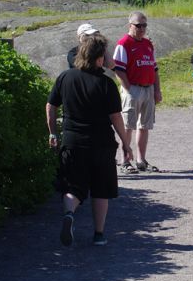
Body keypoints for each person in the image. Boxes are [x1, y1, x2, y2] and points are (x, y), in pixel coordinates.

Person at [46, 34, 133, 246]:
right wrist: (125, 142)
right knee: (101, 189)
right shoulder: (106, 83)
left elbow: (51, 106)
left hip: (73, 141)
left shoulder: (65, 78)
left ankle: (69, 214)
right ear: (100, 58)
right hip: (101, 143)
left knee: (73, 187)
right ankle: (99, 234)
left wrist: (53, 133)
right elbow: (115, 117)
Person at [113, 11, 162, 173]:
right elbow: (118, 70)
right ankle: (125, 161)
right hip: (132, 88)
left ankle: (141, 160)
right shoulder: (124, 43)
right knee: (128, 126)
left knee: (144, 126)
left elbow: (154, 69)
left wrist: (157, 90)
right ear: (130, 25)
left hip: (148, 88)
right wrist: (128, 89)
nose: (141, 28)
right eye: (138, 25)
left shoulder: (148, 44)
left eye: (144, 25)